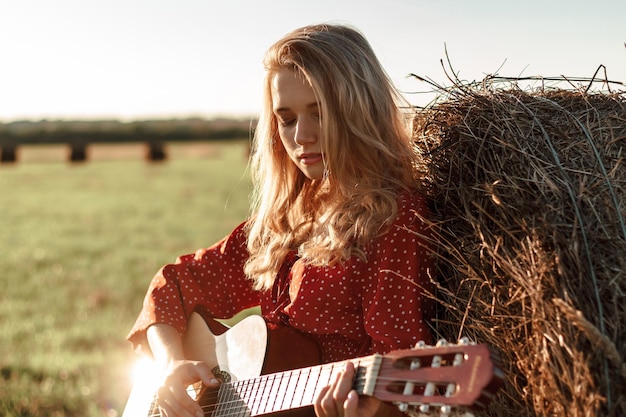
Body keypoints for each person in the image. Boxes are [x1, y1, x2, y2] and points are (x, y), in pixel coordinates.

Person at [127, 23, 435, 417]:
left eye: (319, 113)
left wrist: (372, 411)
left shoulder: (394, 220)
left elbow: (402, 372)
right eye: (286, 119)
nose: (302, 136)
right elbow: (173, 284)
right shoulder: (286, 220)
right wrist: (171, 365)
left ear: (358, 110)